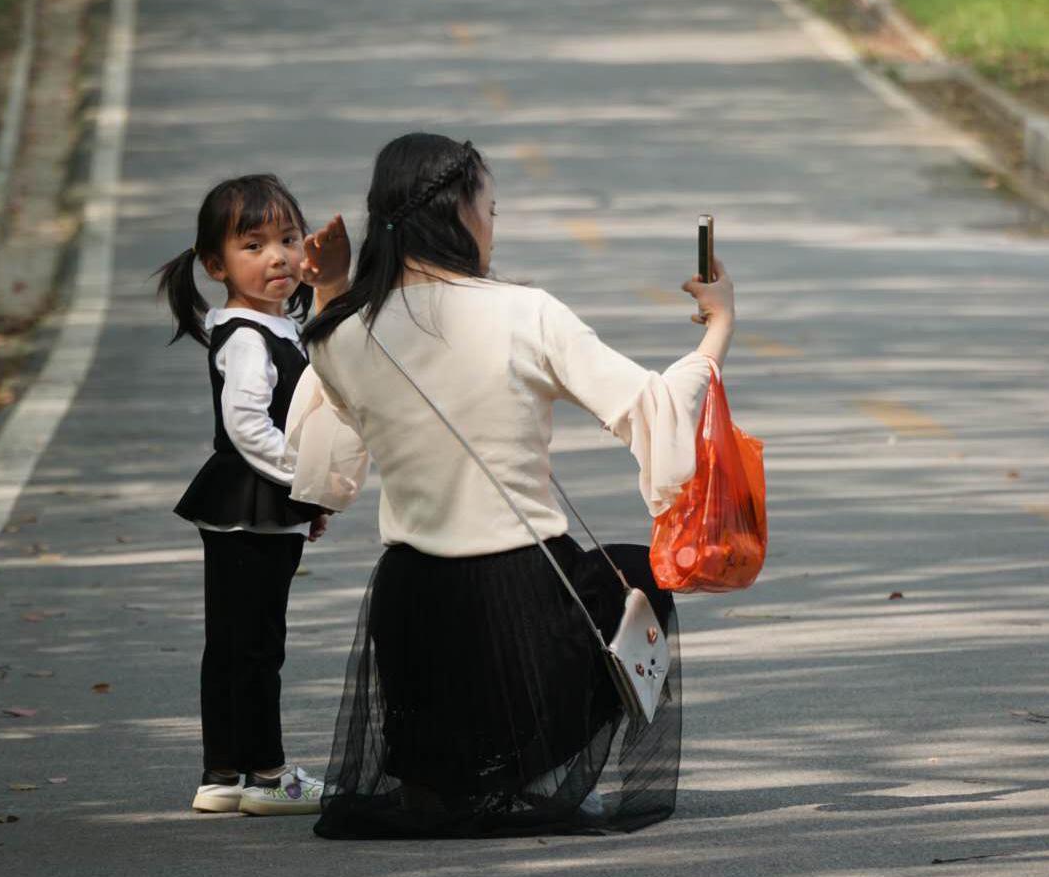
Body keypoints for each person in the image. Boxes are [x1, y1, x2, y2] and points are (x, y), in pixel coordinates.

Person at [287, 133, 735, 838]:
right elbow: (652, 410)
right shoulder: (528, 313)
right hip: (524, 599)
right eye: (491, 209)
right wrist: (719, 327)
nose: (494, 225)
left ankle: (441, 782)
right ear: (462, 214)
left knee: (443, 644)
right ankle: (538, 772)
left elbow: (327, 436)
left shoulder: (339, 335)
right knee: (640, 576)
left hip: (411, 611)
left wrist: (330, 288)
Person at [155, 174, 350, 816]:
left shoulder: (272, 328)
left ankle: (225, 775)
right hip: (250, 501)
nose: (278, 257)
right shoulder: (245, 336)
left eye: (289, 239)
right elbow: (246, 426)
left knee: (238, 642)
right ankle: (264, 775)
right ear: (216, 265)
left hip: (256, 505)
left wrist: (305, 500)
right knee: (255, 645)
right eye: (254, 245)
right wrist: (301, 481)